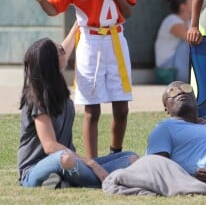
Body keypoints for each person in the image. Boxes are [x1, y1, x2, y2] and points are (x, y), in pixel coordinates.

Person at [27, 0, 136, 158]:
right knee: (92, 108)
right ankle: (93, 161)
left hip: (116, 40)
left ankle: (115, 154)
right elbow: (54, 10)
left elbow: (127, 13)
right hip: (91, 41)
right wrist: (42, 0)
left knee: (122, 106)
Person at [17, 23, 138, 188]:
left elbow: (67, 44)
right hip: (36, 169)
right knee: (66, 159)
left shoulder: (57, 86)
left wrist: (79, 23)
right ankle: (105, 179)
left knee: (131, 158)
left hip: (70, 163)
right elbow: (50, 146)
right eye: (60, 50)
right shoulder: (37, 98)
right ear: (52, 62)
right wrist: (91, 164)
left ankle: (64, 180)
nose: (64, 51)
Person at [154, 0, 192, 83]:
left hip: (176, 63)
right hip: (168, 67)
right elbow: (191, 39)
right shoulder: (172, 20)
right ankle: (186, 81)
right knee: (189, 42)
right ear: (183, 6)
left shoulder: (188, 22)